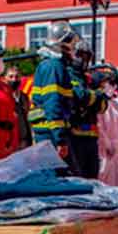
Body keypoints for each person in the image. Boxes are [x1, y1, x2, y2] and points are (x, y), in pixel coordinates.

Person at [29, 21, 79, 160]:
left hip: (48, 132)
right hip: (50, 134)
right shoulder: (54, 66)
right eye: (71, 43)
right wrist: (60, 139)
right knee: (60, 177)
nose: (73, 48)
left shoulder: (50, 65)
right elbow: (53, 103)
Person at [67, 39, 103, 178]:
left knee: (92, 176)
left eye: (86, 56)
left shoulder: (88, 79)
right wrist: (95, 96)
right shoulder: (68, 74)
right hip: (74, 135)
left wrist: (93, 97)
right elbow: (80, 97)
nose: (83, 60)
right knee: (77, 177)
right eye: (80, 55)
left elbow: (103, 105)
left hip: (91, 136)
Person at [90, 65, 118, 186]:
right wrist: (107, 144)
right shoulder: (99, 105)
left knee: (117, 177)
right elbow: (99, 126)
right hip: (104, 147)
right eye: (107, 85)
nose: (112, 87)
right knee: (104, 176)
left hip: (116, 145)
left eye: (113, 84)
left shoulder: (115, 104)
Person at [3, 65, 32, 149]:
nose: (14, 79)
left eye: (17, 76)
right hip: (11, 143)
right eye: (11, 76)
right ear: (5, 78)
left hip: (26, 141)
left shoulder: (24, 97)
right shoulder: (3, 98)